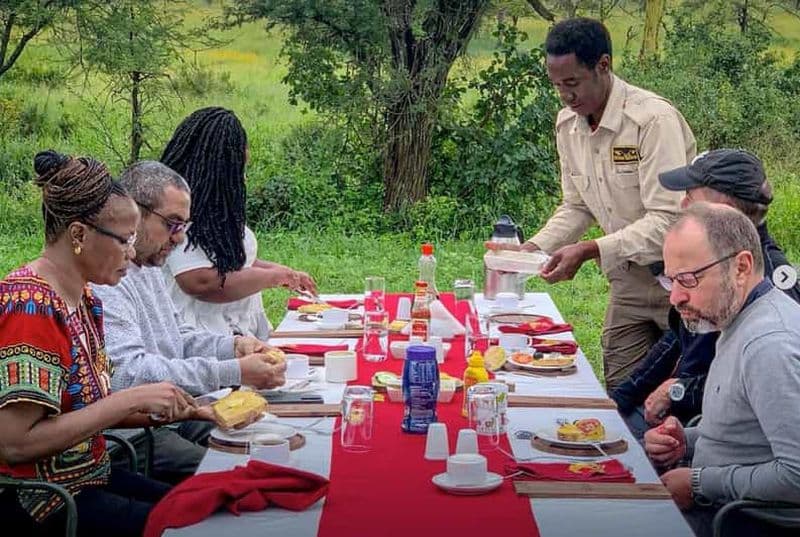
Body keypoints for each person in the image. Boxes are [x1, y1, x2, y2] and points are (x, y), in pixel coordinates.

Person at [0, 151, 212, 537]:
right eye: (125, 240)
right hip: (43, 500)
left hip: (87, 478)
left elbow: (90, 410)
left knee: (208, 504)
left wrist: (190, 410)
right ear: (79, 234)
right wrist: (130, 399)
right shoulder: (30, 305)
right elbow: (14, 444)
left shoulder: (85, 299)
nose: (132, 253)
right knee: (191, 526)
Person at [486, 18, 696, 390]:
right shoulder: (568, 124)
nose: (566, 96)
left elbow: (669, 218)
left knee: (684, 393)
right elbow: (577, 206)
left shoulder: (651, 120)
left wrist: (590, 249)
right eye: (556, 85)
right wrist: (532, 249)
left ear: (603, 65)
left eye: (572, 83)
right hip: (627, 280)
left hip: (686, 282)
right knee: (623, 391)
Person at [92, 160, 285, 482]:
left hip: (174, 415)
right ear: (134, 212)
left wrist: (234, 347)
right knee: (238, 475)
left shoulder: (149, 268)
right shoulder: (108, 279)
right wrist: (232, 371)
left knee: (270, 438)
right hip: (132, 436)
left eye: (183, 225)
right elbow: (130, 374)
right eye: (172, 224)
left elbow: (177, 337)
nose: (180, 239)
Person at [611, 149, 800, 438]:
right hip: (676, 424)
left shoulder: (770, 284)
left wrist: (678, 392)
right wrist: (619, 398)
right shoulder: (708, 257)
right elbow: (677, 338)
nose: (683, 203)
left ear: (723, 206)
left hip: (704, 430)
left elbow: (760, 385)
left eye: (691, 195)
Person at [645, 203, 800, 537]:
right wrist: (684, 441)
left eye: (687, 279)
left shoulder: (769, 345)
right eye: (670, 280)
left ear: (741, 267)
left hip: (742, 522)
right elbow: (750, 439)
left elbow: (796, 475)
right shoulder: (738, 317)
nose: (675, 297)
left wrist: (701, 483)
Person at [159, 106, 317, 339]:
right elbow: (202, 282)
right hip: (201, 347)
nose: (243, 178)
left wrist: (281, 272)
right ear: (220, 168)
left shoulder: (213, 212)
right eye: (239, 169)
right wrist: (271, 278)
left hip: (236, 338)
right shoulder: (180, 217)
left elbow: (230, 263)